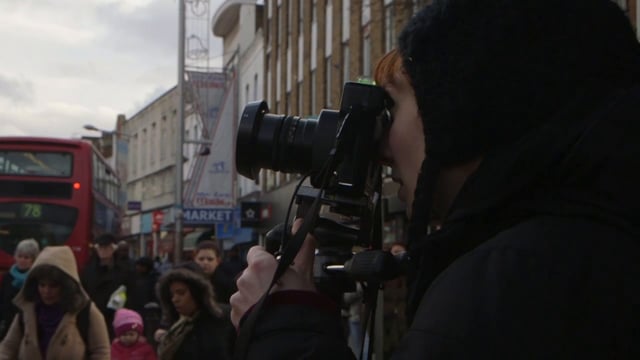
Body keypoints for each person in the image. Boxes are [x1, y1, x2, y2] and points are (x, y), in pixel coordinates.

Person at [230, 0, 640, 358]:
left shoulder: (507, 290)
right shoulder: (587, 245)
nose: (383, 144)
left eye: (394, 104)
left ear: (463, 112)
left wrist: (286, 332)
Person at [0, 246, 110, 359]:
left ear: (67, 286)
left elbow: (101, 351)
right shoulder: (27, 310)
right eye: (42, 285)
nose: (46, 291)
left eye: (53, 286)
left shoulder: (85, 311)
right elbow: (8, 347)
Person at [155, 262, 235, 360]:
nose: (174, 299)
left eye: (181, 293)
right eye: (172, 294)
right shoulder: (177, 326)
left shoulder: (225, 318)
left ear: (197, 292)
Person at [81, 233, 137, 341]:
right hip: (93, 319)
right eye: (101, 247)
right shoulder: (88, 271)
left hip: (116, 320)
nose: (104, 250)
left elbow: (132, 295)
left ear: (113, 249)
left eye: (107, 247)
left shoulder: (125, 271)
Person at [0, 238, 40, 339]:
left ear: (33, 259)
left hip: (29, 324)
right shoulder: (8, 276)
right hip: (8, 323)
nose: (22, 260)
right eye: (20, 256)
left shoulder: (36, 278)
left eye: (26, 257)